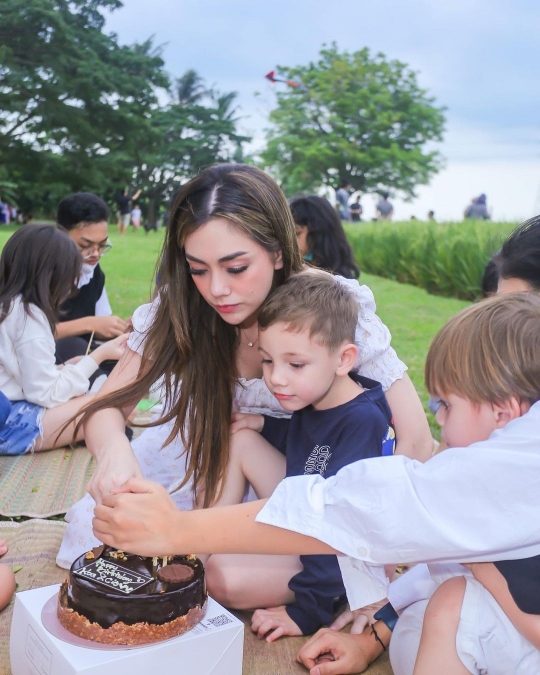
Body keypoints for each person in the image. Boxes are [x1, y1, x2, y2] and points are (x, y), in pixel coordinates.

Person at [94, 293, 540, 675]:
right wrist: (373, 638)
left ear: (503, 412)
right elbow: (436, 559)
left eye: (445, 405)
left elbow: (359, 510)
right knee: (438, 602)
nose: (437, 421)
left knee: (449, 603)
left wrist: (175, 529)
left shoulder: (489, 471)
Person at [57, 164, 431, 571]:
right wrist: (115, 453)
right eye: (198, 269)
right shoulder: (181, 306)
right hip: (202, 463)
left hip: (302, 481)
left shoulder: (332, 308)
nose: (217, 289)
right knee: (96, 530)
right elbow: (108, 405)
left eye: (236, 268)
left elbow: (416, 440)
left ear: (277, 252)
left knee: (229, 573)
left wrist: (376, 554)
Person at [206, 273, 396, 641]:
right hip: (307, 516)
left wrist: (306, 612)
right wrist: (263, 423)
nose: (276, 379)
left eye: (294, 365)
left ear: (344, 359)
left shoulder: (361, 421)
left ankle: (337, 599)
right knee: (241, 439)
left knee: (222, 577)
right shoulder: (317, 393)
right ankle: (197, 546)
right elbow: (308, 443)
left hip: (343, 555)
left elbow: (341, 526)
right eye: (267, 361)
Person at [0, 225, 127, 455]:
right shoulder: (28, 317)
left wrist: (67, 367)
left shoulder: (9, 306)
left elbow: (22, 375)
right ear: (53, 275)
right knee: (111, 403)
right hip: (12, 425)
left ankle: (89, 429)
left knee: (104, 403)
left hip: (9, 408)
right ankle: (94, 431)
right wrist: (99, 356)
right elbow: (46, 394)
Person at [55, 193, 128, 367]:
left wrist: (122, 329)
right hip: (40, 359)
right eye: (85, 246)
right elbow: (25, 333)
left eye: (102, 245)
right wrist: (89, 324)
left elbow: (101, 325)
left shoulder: (94, 274)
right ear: (60, 234)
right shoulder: (39, 272)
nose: (95, 253)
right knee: (74, 346)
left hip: (80, 356)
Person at [289, 195, 360, 279]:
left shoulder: (341, 285)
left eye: (297, 233)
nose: (290, 240)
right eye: (287, 234)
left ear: (318, 233)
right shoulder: (290, 272)